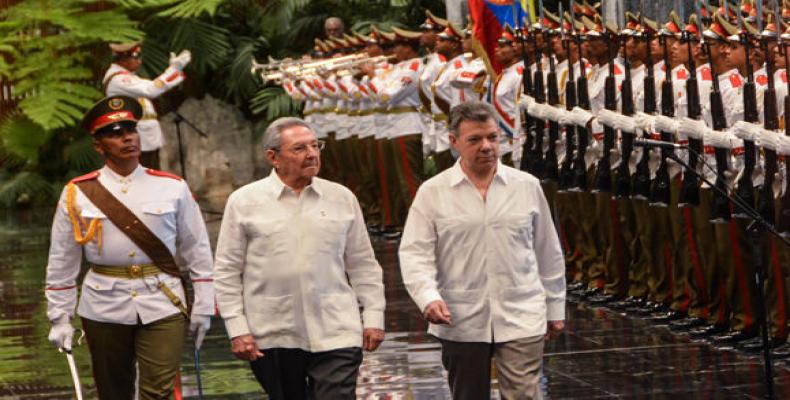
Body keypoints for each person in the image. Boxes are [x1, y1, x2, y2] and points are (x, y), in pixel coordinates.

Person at [45, 95, 214, 399]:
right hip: (103, 303)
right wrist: (59, 317)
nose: (127, 137)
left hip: (163, 300)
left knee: (158, 391)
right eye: (115, 133)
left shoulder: (172, 187)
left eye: (131, 130)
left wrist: (204, 303)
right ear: (98, 146)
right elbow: (62, 260)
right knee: (114, 392)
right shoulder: (77, 193)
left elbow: (197, 248)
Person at [399, 101, 566, 400]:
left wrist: (555, 307)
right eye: (475, 140)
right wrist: (428, 298)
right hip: (460, 316)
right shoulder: (433, 192)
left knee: (524, 394)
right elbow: (414, 253)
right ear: (454, 142)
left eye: (492, 137)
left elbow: (548, 251)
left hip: (522, 312)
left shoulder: (526, 186)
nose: (486, 146)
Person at [213, 117, 386, 399]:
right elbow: (227, 271)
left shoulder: (341, 197)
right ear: (273, 157)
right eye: (299, 148)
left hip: (337, 328)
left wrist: (374, 316)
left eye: (316, 146)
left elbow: (363, 263)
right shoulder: (244, 201)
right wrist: (237, 328)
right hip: (273, 331)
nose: (312, 154)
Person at [104, 42, 191, 169]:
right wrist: (173, 70)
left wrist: (175, 71)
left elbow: (153, 85)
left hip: (144, 135)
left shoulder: (129, 77)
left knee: (152, 176)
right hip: (134, 136)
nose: (140, 61)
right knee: (142, 177)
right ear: (124, 59)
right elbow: (151, 90)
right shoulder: (119, 79)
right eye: (136, 57)